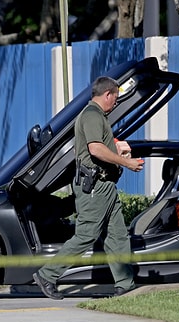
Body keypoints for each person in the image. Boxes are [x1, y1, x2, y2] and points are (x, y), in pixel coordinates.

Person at [33, 76, 144, 300]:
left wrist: (118, 147)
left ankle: (125, 283)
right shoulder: (92, 115)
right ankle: (48, 275)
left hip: (105, 186)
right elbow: (95, 150)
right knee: (86, 234)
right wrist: (126, 163)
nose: (116, 102)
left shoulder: (95, 116)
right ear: (108, 94)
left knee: (117, 236)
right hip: (95, 186)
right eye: (116, 98)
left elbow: (102, 145)